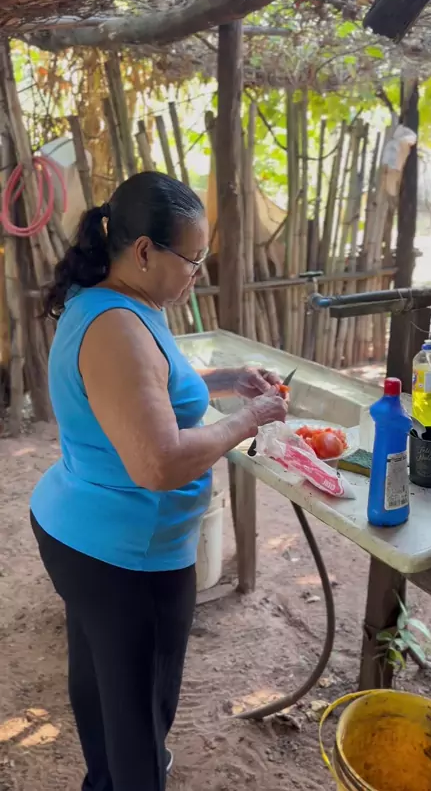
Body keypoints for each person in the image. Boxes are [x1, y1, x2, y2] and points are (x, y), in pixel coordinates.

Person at [30, 171, 288, 791]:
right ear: (145, 250)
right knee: (140, 716)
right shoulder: (118, 327)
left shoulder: (110, 302)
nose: (197, 273)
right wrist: (249, 418)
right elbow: (160, 464)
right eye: (192, 260)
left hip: (86, 536)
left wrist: (225, 380)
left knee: (103, 688)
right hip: (127, 558)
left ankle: (105, 779)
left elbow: (147, 386)